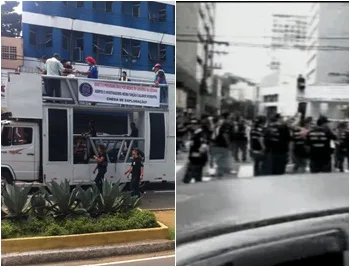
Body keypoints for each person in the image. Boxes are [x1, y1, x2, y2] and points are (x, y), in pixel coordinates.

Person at [211, 113, 232, 178]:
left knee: (217, 158)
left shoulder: (218, 123)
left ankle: (216, 171)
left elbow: (213, 131)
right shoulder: (224, 124)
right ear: (227, 117)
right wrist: (228, 143)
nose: (230, 119)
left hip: (216, 143)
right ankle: (219, 173)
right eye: (229, 118)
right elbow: (224, 134)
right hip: (221, 144)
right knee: (221, 158)